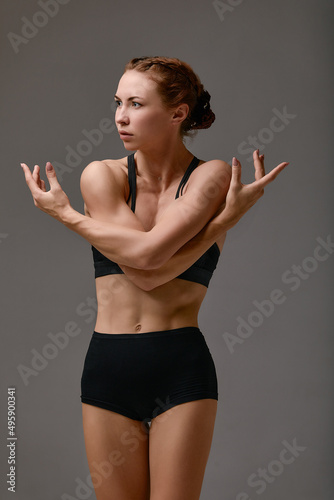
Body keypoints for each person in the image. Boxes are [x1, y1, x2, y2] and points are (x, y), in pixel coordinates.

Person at [20, 56, 289, 500]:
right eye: (117, 102)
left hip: (181, 368)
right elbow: (146, 265)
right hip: (109, 367)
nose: (120, 116)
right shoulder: (102, 176)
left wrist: (66, 217)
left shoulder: (212, 175)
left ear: (178, 113)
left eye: (135, 103)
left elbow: (146, 264)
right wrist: (221, 225)